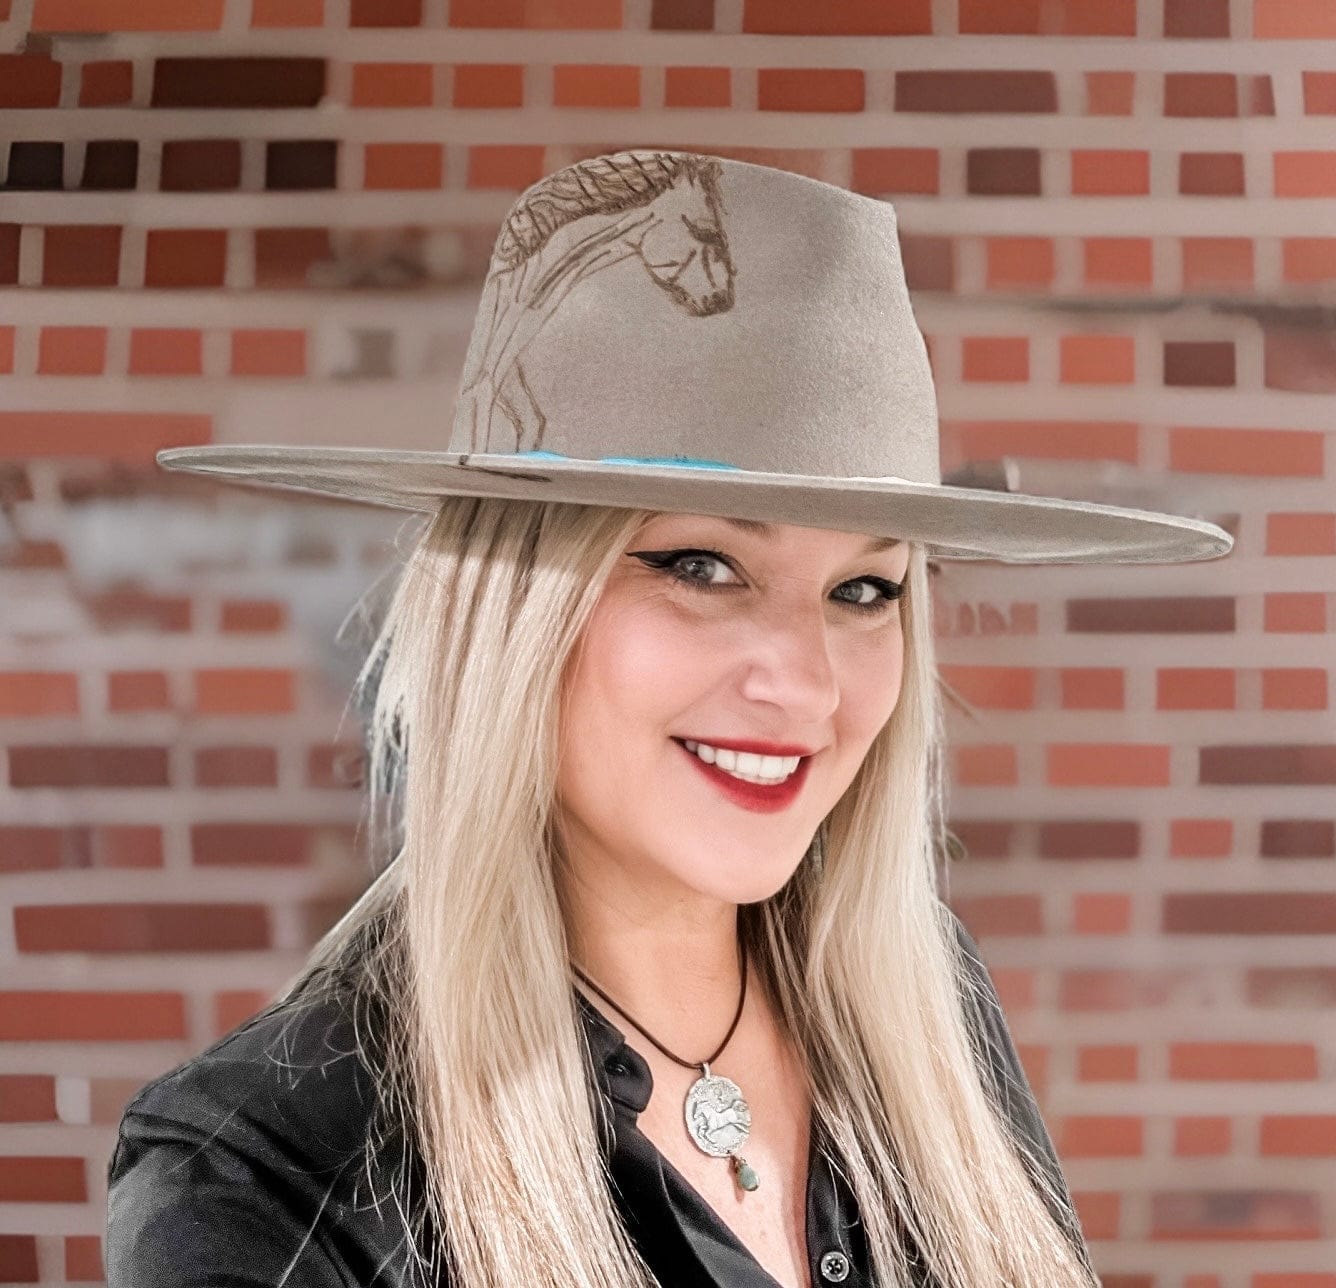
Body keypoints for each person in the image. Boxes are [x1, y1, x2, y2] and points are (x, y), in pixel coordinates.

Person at [105, 150, 1232, 1288]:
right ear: (515, 608)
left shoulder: (927, 1002)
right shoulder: (267, 1173)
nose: (808, 686)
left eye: (864, 589)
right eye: (702, 565)